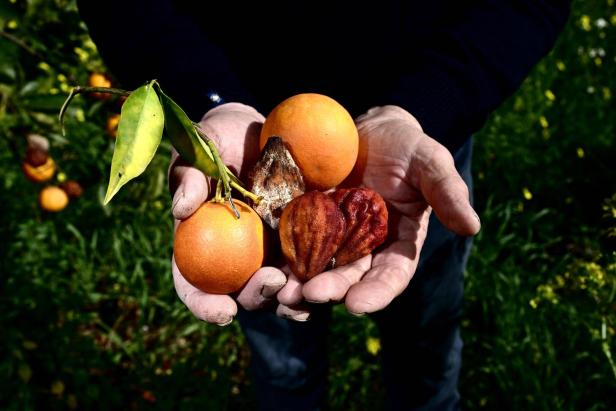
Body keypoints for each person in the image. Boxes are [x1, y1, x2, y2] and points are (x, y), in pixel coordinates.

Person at [78, 1, 570, 409]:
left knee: (425, 349)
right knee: (285, 363)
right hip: (249, 162)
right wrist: (209, 97)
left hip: (413, 154)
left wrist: (429, 106)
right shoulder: (258, 202)